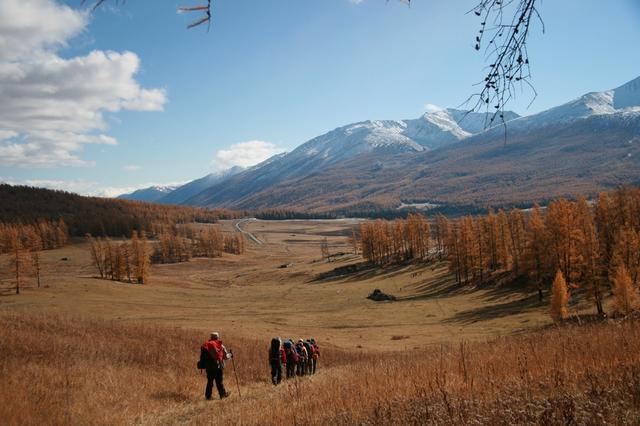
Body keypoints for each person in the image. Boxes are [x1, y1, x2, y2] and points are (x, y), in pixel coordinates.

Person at [200, 332, 231, 400]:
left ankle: (208, 396)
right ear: (217, 337)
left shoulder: (205, 345)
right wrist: (230, 355)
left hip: (208, 366)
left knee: (210, 381)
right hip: (218, 366)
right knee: (219, 381)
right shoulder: (221, 346)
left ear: (211, 337)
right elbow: (226, 357)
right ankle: (222, 394)